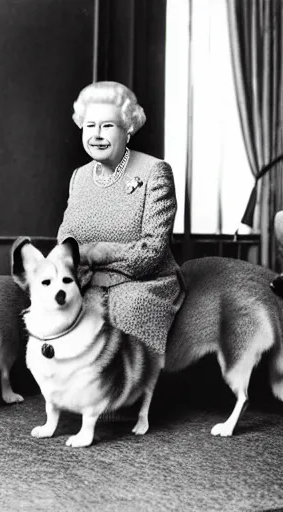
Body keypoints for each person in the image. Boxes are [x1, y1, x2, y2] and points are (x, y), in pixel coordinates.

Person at [57, 81, 185, 356]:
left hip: (143, 284)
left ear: (128, 128)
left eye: (108, 126)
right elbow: (65, 244)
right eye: (90, 125)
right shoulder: (79, 177)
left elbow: (151, 252)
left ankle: (128, 389)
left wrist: (97, 253)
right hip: (86, 281)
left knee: (126, 309)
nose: (97, 134)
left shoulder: (155, 171)